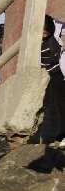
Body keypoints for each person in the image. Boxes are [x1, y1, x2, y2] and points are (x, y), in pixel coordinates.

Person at [35, 15, 65, 144]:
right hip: (43, 76)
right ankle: (50, 136)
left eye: (46, 33)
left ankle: (62, 134)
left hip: (58, 73)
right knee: (46, 106)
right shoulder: (34, 39)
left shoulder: (57, 32)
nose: (44, 36)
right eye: (41, 33)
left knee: (61, 104)